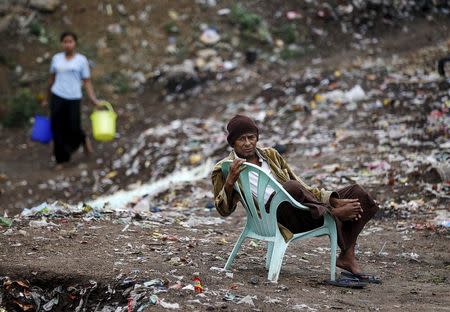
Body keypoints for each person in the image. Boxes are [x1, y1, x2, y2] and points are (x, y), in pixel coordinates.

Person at [211, 114, 380, 285]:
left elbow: (302, 186)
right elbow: (223, 210)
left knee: (357, 193)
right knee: (290, 187)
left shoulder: (271, 155)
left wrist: (332, 198)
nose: (247, 143)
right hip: (276, 217)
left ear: (257, 138)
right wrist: (230, 181)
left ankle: (346, 254)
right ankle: (333, 213)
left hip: (303, 207)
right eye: (241, 139)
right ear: (232, 143)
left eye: (251, 137)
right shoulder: (224, 168)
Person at [42, 31, 100, 168]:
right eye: (65, 42)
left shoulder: (81, 60)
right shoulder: (56, 59)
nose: (68, 44)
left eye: (70, 41)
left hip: (74, 97)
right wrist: (46, 98)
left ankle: (82, 139)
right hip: (57, 95)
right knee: (57, 128)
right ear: (61, 44)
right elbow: (51, 79)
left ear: (75, 43)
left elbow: (86, 81)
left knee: (73, 126)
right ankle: (61, 159)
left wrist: (93, 98)